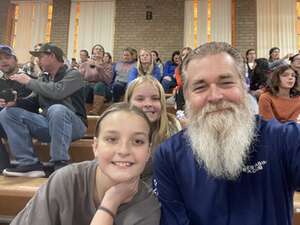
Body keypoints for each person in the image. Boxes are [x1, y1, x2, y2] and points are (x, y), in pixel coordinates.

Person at [153, 42, 300, 225]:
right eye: (200, 87)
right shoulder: (168, 155)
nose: (215, 96)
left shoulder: (284, 139)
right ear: (187, 95)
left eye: (226, 82)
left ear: (244, 85)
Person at [10, 102, 160, 225]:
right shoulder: (66, 180)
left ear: (148, 152)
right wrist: (110, 203)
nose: (123, 150)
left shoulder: (148, 208)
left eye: (138, 141)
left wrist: (109, 204)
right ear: (95, 147)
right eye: (112, 139)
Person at [0, 43, 87, 177]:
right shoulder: (43, 78)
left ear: (52, 56)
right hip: (49, 124)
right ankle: (29, 164)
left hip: (74, 126)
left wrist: (29, 82)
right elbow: (32, 101)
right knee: (7, 114)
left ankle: (60, 162)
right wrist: (15, 102)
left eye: (40, 57)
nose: (37, 60)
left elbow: (58, 92)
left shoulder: (73, 74)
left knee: (57, 109)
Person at [125, 76, 181, 181]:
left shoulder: (173, 131)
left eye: (155, 98)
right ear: (128, 103)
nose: (148, 104)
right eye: (140, 99)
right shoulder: (117, 131)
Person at [0, 45, 33, 171]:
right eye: (0, 58)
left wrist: (16, 102)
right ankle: (2, 166)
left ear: (15, 60)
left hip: (24, 122)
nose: (3, 61)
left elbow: (34, 105)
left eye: (7, 57)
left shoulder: (29, 80)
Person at [79, 44, 113, 115]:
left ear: (103, 54)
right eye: (96, 49)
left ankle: (95, 111)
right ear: (92, 53)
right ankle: (83, 112)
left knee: (99, 85)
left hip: (103, 90)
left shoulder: (107, 66)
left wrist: (99, 67)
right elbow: (80, 78)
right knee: (86, 86)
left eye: (100, 50)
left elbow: (108, 81)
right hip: (89, 88)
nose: (98, 50)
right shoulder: (84, 64)